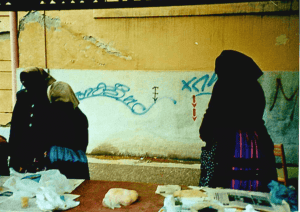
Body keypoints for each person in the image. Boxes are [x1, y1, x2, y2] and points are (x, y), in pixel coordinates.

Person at [199, 50, 277, 192]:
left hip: (228, 145)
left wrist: (205, 132)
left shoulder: (223, 85)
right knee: (254, 189)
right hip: (256, 144)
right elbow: (258, 115)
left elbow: (213, 112)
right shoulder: (255, 87)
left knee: (223, 191)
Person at [8, 67, 90, 179]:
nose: (25, 83)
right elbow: (17, 127)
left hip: (55, 155)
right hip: (35, 152)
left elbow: (50, 131)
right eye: (23, 80)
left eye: (30, 79)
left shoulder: (50, 99)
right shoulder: (23, 96)